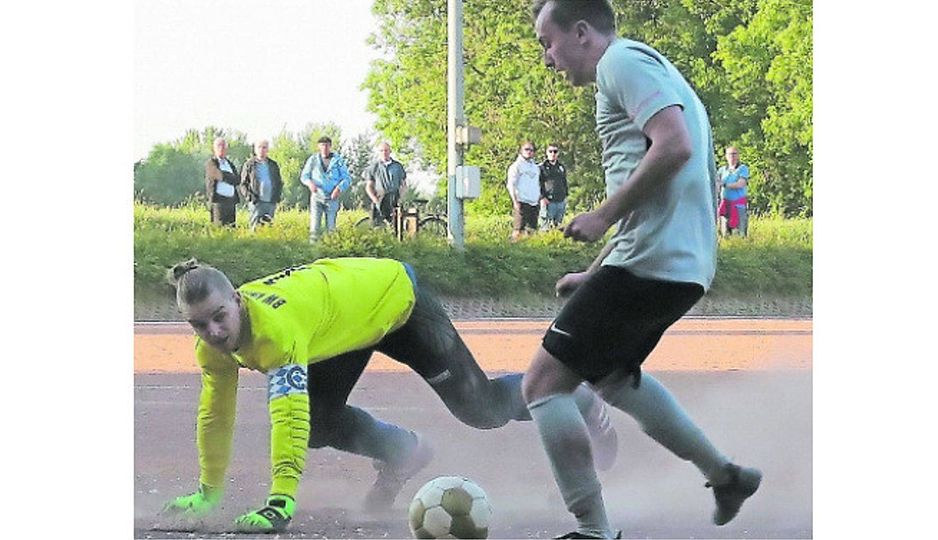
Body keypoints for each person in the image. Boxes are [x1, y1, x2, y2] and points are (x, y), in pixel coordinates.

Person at [524, 2, 762, 538]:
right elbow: (658, 193)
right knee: (611, 379)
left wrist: (602, 216)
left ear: (580, 32)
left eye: (547, 42)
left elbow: (674, 147)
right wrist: (596, 272)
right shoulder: (644, 67)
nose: (547, 58)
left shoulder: (620, 62)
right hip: (676, 264)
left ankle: (592, 530)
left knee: (543, 385)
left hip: (653, 262)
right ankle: (725, 476)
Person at [160, 256, 619, 533]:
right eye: (199, 324)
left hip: (396, 300)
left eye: (219, 316)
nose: (213, 331)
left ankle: (570, 392)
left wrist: (280, 501)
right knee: (320, 424)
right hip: (340, 325)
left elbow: (288, 416)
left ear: (238, 300)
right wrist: (208, 493)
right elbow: (215, 415)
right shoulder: (212, 348)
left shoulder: (274, 332)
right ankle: (404, 451)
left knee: (481, 410)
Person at [300, 136, 351, 242]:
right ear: (319, 146)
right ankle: (313, 249)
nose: (325, 148)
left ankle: (330, 249)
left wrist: (339, 188)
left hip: (332, 198)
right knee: (314, 228)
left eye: (327, 145)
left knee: (331, 229)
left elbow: (347, 178)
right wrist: (310, 183)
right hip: (317, 197)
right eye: (322, 145)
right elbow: (304, 176)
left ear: (330, 146)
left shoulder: (338, 160)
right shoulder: (313, 160)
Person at [240, 140, 283, 230]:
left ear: (267, 149)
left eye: (264, 147)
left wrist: (277, 197)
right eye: (259, 147)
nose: (261, 150)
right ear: (255, 149)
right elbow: (243, 184)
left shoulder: (273, 165)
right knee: (254, 228)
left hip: (270, 202)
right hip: (256, 203)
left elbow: (279, 182)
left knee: (268, 229)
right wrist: (250, 198)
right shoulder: (249, 165)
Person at [363, 142, 407, 227]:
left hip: (394, 198)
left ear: (390, 151)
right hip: (380, 198)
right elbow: (369, 187)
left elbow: (404, 185)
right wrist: (375, 199)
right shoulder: (374, 167)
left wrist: (400, 198)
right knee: (378, 225)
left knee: (396, 225)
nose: (384, 152)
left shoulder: (398, 166)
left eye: (386, 150)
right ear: (379, 152)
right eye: (381, 151)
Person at [506, 141, 541, 241]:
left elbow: (537, 184)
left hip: (534, 203)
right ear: (521, 150)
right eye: (526, 149)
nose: (529, 152)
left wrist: (538, 198)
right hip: (521, 201)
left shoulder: (535, 167)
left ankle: (528, 248)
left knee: (531, 231)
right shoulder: (516, 166)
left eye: (531, 150)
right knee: (518, 230)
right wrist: (515, 201)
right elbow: (510, 185)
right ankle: (511, 248)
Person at [204, 137, 240, 227]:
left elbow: (237, 180)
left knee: (231, 228)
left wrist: (225, 175)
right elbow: (217, 175)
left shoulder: (229, 164)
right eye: (219, 146)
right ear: (214, 148)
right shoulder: (211, 163)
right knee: (219, 228)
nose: (221, 148)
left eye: (224, 146)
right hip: (218, 202)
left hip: (231, 202)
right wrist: (229, 176)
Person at [717, 146, 750, 237]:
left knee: (739, 234)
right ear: (726, 156)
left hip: (738, 206)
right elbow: (716, 184)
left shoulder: (742, 168)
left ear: (738, 155)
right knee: (724, 234)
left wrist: (724, 184)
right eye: (730, 154)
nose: (732, 156)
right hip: (725, 205)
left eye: (734, 154)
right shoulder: (722, 170)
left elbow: (741, 184)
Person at [539, 143, 569, 229]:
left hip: (560, 201)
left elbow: (564, 182)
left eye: (555, 151)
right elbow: (538, 184)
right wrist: (542, 198)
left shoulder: (561, 167)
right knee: (546, 227)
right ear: (546, 153)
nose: (553, 154)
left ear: (558, 153)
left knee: (558, 226)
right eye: (550, 151)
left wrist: (566, 196)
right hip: (548, 201)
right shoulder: (541, 168)